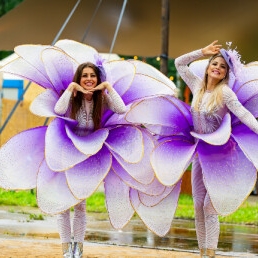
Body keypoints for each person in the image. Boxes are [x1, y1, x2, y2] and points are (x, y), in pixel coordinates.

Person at [175, 41, 258, 258]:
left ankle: (210, 254)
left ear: (225, 74)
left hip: (220, 156)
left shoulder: (226, 93)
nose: (217, 68)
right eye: (215, 63)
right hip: (199, 155)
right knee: (198, 206)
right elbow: (179, 64)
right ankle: (203, 252)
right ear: (208, 66)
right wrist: (201, 52)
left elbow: (244, 115)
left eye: (222, 67)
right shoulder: (196, 87)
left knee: (210, 207)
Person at [54, 62, 127, 258]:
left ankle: (78, 248)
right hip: (67, 153)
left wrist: (108, 87)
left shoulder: (101, 99)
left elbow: (121, 109)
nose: (88, 79)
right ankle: (65, 250)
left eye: (92, 76)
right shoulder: (72, 97)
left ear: (98, 79)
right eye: (84, 75)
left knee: (80, 204)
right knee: (64, 203)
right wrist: (71, 88)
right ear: (79, 78)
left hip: (88, 155)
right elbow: (59, 110)